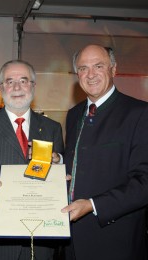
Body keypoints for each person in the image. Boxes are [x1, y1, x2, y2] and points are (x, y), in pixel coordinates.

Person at [0, 59, 64, 260]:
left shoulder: (52, 128)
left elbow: (61, 180)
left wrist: (58, 161)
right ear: (0, 88)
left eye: (24, 80)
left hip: (41, 237)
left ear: (33, 86)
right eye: (9, 81)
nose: (17, 87)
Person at [61, 44, 148, 260]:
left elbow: (144, 182)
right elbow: (82, 163)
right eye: (83, 68)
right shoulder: (73, 115)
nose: (90, 74)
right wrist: (59, 161)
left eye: (98, 66)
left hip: (115, 241)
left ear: (113, 69)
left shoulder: (139, 114)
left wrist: (93, 205)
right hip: (70, 242)